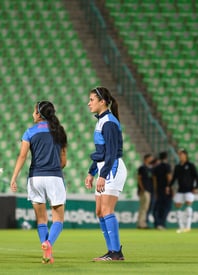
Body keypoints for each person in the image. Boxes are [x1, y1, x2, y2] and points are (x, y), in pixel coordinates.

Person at [10, 101, 67, 264]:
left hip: (35, 178)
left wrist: (14, 177)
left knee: (41, 219)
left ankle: (47, 253)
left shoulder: (30, 132)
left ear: (39, 114)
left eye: (34, 111)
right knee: (58, 220)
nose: (32, 114)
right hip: (54, 177)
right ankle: (48, 244)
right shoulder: (59, 131)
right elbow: (64, 162)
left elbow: (22, 156)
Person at [84, 87, 127, 261]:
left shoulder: (108, 122)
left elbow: (110, 153)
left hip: (113, 167)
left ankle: (116, 252)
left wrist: (102, 175)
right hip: (105, 167)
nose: (89, 103)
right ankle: (111, 251)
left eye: (92, 99)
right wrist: (91, 171)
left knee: (107, 209)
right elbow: (101, 152)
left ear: (102, 101)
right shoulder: (102, 121)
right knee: (100, 211)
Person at [169, 149, 198, 233]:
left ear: (185, 155)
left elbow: (196, 176)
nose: (180, 156)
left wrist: (196, 187)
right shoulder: (178, 167)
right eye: (179, 155)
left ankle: (188, 226)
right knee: (177, 206)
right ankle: (181, 226)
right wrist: (169, 186)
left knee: (188, 205)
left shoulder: (190, 165)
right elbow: (174, 178)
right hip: (180, 190)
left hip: (189, 189)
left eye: (182, 154)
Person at [152, 151, 173, 230]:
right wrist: (170, 188)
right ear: (166, 157)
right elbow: (169, 178)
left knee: (158, 207)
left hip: (159, 190)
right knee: (166, 207)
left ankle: (157, 223)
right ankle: (162, 223)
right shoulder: (167, 166)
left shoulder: (156, 167)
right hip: (166, 190)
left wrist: (155, 190)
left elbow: (154, 180)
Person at [136, 153, 156, 229]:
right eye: (150, 158)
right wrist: (142, 188)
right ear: (146, 159)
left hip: (149, 190)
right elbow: (139, 178)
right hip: (145, 190)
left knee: (145, 207)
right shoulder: (142, 168)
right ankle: (141, 223)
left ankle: (142, 223)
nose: (152, 160)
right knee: (144, 207)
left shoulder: (150, 168)